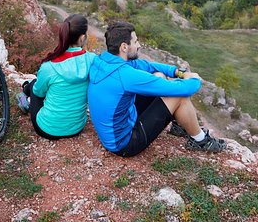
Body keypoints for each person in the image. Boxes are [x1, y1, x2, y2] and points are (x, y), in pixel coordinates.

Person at [88, 21, 225, 157]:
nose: (139, 45)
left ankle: (180, 122)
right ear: (124, 47)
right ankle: (201, 141)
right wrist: (193, 79)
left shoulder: (102, 61)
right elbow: (182, 89)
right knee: (179, 96)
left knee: (159, 75)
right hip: (124, 144)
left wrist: (177, 72)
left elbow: (147, 66)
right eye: (135, 42)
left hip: (113, 130)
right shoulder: (125, 75)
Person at [18, 14, 97, 140]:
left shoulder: (49, 66)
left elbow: (38, 93)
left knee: (34, 86)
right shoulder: (93, 60)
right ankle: (25, 90)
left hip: (47, 129)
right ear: (82, 38)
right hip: (77, 127)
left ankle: (23, 96)